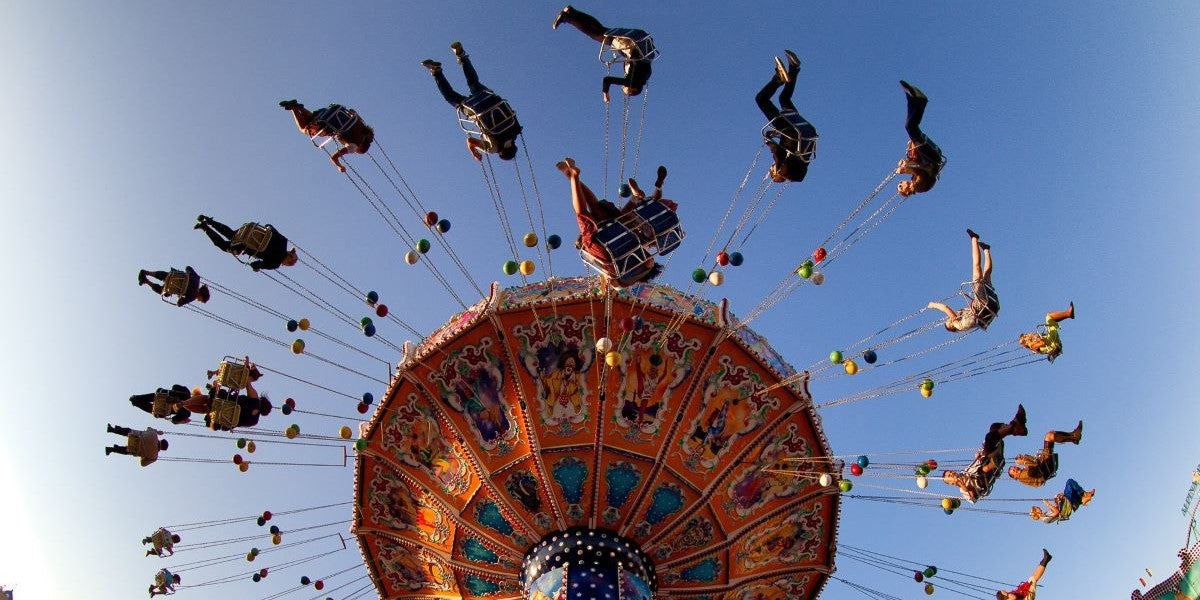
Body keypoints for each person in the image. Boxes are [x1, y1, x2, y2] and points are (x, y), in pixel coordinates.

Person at [557, 157, 666, 286]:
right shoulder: (626, 278)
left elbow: (648, 259)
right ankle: (574, 177)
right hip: (605, 245)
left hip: (616, 230)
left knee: (595, 206)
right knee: (582, 213)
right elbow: (613, 279)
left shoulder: (641, 256)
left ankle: (572, 177)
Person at [421, 42, 522, 161]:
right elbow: (470, 141)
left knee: (473, 82)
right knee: (450, 96)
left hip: (491, 99)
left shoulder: (516, 129)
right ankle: (436, 71)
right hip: (476, 109)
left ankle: (461, 55)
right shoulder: (494, 148)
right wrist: (474, 152)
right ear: (501, 153)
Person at [552, 6, 654, 101]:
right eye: (626, 91)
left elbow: (637, 62)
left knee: (600, 31)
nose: (623, 89)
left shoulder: (641, 76)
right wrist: (606, 94)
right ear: (633, 89)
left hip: (637, 44)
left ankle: (571, 13)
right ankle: (569, 16)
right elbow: (607, 80)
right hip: (634, 44)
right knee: (598, 34)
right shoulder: (633, 82)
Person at [942, 404, 1027, 503]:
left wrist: (977, 457)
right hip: (987, 472)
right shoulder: (962, 490)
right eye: (949, 476)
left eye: (950, 472)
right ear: (950, 483)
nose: (951, 474)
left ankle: (1017, 428)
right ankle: (1015, 426)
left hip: (988, 457)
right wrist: (961, 484)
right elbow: (973, 497)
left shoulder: (965, 471)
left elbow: (977, 464)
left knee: (994, 427)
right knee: (981, 469)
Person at [755, 50, 817, 183]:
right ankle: (778, 78)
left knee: (784, 99)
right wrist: (768, 141)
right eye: (771, 169)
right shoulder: (782, 169)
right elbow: (777, 152)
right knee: (761, 99)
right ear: (775, 173)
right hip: (791, 131)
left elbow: (788, 150)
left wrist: (775, 135)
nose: (771, 167)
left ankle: (793, 67)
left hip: (803, 132)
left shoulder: (798, 167)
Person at [927, 229, 999, 332]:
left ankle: (986, 250)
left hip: (990, 305)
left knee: (986, 275)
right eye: (949, 321)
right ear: (952, 326)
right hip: (983, 304)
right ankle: (974, 238)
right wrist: (933, 305)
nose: (949, 319)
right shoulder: (957, 324)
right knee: (976, 268)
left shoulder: (963, 324)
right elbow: (945, 308)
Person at [279, 100, 374, 172]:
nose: (353, 152)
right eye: (356, 152)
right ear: (361, 147)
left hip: (332, 112)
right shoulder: (354, 146)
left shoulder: (365, 130)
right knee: (304, 129)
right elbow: (334, 157)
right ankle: (294, 108)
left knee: (313, 119)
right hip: (327, 124)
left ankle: (300, 108)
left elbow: (352, 111)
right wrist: (339, 166)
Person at [896, 80, 945, 196]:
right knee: (910, 127)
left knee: (910, 128)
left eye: (899, 184)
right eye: (901, 187)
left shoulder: (914, 179)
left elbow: (917, 167)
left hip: (927, 156)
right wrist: (907, 168)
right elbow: (922, 173)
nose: (901, 183)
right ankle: (920, 101)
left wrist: (906, 163)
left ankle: (911, 99)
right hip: (932, 158)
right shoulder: (919, 187)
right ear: (906, 191)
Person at [195, 216, 297, 271]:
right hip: (247, 245)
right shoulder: (275, 264)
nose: (283, 265)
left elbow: (268, 226)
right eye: (286, 264)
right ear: (288, 260)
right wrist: (255, 267)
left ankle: (209, 221)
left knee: (231, 234)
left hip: (251, 231)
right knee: (223, 245)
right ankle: (204, 227)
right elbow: (257, 264)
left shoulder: (283, 241)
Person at [1009, 420, 1083, 488]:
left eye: (1014, 467)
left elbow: (1034, 461)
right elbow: (1034, 471)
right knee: (1049, 436)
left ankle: (1073, 437)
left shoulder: (1025, 470)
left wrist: (1024, 458)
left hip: (1044, 464)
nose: (1015, 469)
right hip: (1045, 468)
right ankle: (1074, 436)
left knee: (1050, 435)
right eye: (1014, 471)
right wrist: (1024, 461)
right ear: (1015, 477)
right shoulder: (1022, 477)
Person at [129, 385, 209, 425]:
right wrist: (182, 421)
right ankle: (135, 402)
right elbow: (174, 420)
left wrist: (176, 393)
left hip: (163, 395)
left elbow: (175, 386)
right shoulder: (187, 413)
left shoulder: (186, 392)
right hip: (163, 409)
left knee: (150, 397)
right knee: (149, 408)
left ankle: (135, 399)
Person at [1030, 479, 1096, 524]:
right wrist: (1047, 504)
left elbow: (1056, 508)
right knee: (1069, 482)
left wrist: (1057, 500)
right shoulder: (1045, 519)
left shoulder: (1045, 514)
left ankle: (1082, 499)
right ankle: (1084, 495)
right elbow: (1057, 512)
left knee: (1073, 491)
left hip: (1064, 505)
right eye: (1037, 508)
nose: (1038, 507)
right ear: (1036, 513)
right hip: (1065, 507)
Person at [138, 267, 210, 307]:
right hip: (172, 287)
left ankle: (146, 272)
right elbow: (179, 303)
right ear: (202, 295)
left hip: (174, 277)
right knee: (163, 292)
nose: (199, 300)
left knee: (166, 275)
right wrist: (180, 297)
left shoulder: (197, 278)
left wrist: (187, 275)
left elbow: (188, 267)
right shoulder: (193, 296)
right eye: (201, 300)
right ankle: (146, 281)